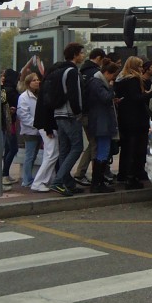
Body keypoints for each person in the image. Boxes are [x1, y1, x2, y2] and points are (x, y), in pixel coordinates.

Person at [49, 43, 87, 196]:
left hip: (58, 114)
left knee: (64, 150)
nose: (83, 56)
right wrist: (78, 112)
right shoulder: (72, 71)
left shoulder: (58, 71)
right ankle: (58, 181)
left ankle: (67, 182)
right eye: (81, 53)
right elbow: (74, 94)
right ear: (75, 55)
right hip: (70, 115)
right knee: (77, 147)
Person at [83, 59, 120, 193]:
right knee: (103, 151)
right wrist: (111, 88)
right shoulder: (98, 83)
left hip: (100, 121)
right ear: (107, 73)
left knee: (102, 151)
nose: (113, 79)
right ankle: (97, 183)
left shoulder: (94, 82)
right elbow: (105, 98)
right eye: (112, 76)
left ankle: (97, 182)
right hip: (101, 123)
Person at [71, 48, 106, 186]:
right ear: (99, 58)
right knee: (95, 145)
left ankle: (81, 173)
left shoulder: (82, 71)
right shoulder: (96, 73)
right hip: (92, 113)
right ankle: (84, 174)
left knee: (92, 144)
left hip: (84, 112)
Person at [116, 56, 150, 188]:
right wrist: (150, 94)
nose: (142, 69)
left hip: (124, 118)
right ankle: (132, 177)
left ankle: (123, 174)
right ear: (135, 67)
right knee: (135, 149)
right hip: (136, 119)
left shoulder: (120, 79)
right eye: (140, 66)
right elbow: (136, 98)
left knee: (126, 148)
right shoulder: (134, 79)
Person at [30, 66, 60, 192]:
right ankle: (39, 181)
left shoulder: (45, 87)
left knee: (51, 154)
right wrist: (48, 129)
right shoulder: (49, 87)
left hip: (44, 125)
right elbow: (47, 109)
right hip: (47, 125)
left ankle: (43, 180)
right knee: (51, 154)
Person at [16, 71, 41, 188]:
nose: (37, 82)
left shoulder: (38, 95)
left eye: (37, 80)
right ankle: (26, 179)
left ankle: (29, 178)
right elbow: (23, 115)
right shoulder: (24, 97)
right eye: (34, 80)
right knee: (30, 155)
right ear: (28, 83)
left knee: (33, 155)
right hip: (30, 130)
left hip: (38, 130)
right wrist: (36, 124)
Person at [0, 69, 20, 186]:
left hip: (7, 123)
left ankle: (5, 173)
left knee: (8, 148)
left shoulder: (4, 90)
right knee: (13, 148)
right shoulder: (11, 92)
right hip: (9, 123)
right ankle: (4, 173)